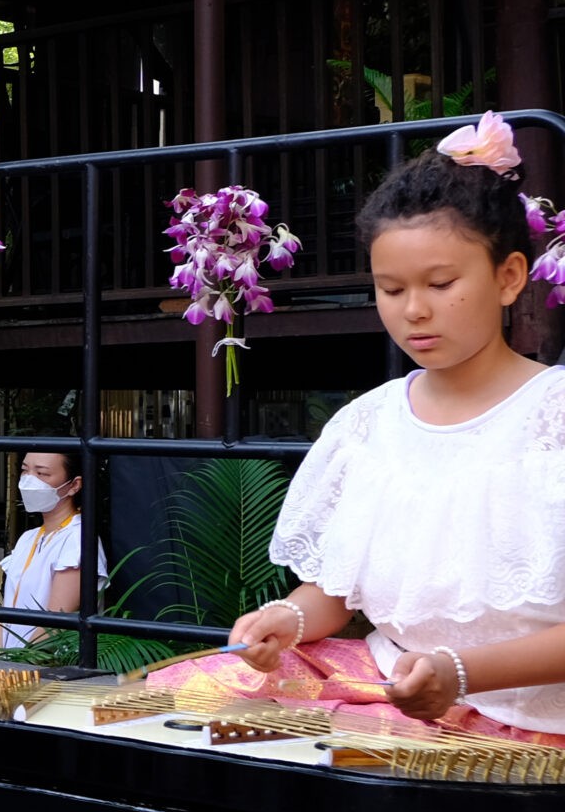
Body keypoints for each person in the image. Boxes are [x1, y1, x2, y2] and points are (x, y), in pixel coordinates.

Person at [150, 111, 565, 745]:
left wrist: (460, 672)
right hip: (392, 682)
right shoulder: (368, 423)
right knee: (183, 699)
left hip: (530, 711)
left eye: (441, 283)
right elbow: (337, 592)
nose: (414, 310)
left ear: (509, 277)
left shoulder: (554, 415)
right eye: (390, 289)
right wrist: (286, 617)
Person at [0, 451, 104, 649]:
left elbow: (55, 625)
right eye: (25, 471)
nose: (29, 481)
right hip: (8, 668)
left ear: (74, 485)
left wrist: (18, 664)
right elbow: (6, 610)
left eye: (42, 474)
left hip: (40, 666)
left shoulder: (78, 539)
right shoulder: (28, 538)